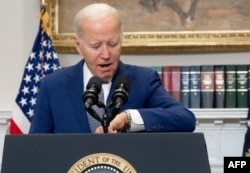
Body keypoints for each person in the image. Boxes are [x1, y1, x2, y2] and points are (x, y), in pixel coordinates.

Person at [29, 3, 196, 134]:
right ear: (79, 46)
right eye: (95, 46)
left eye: (112, 44)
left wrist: (128, 118)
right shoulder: (52, 86)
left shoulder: (143, 80)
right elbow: (35, 150)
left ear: (121, 41)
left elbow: (185, 119)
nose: (106, 54)